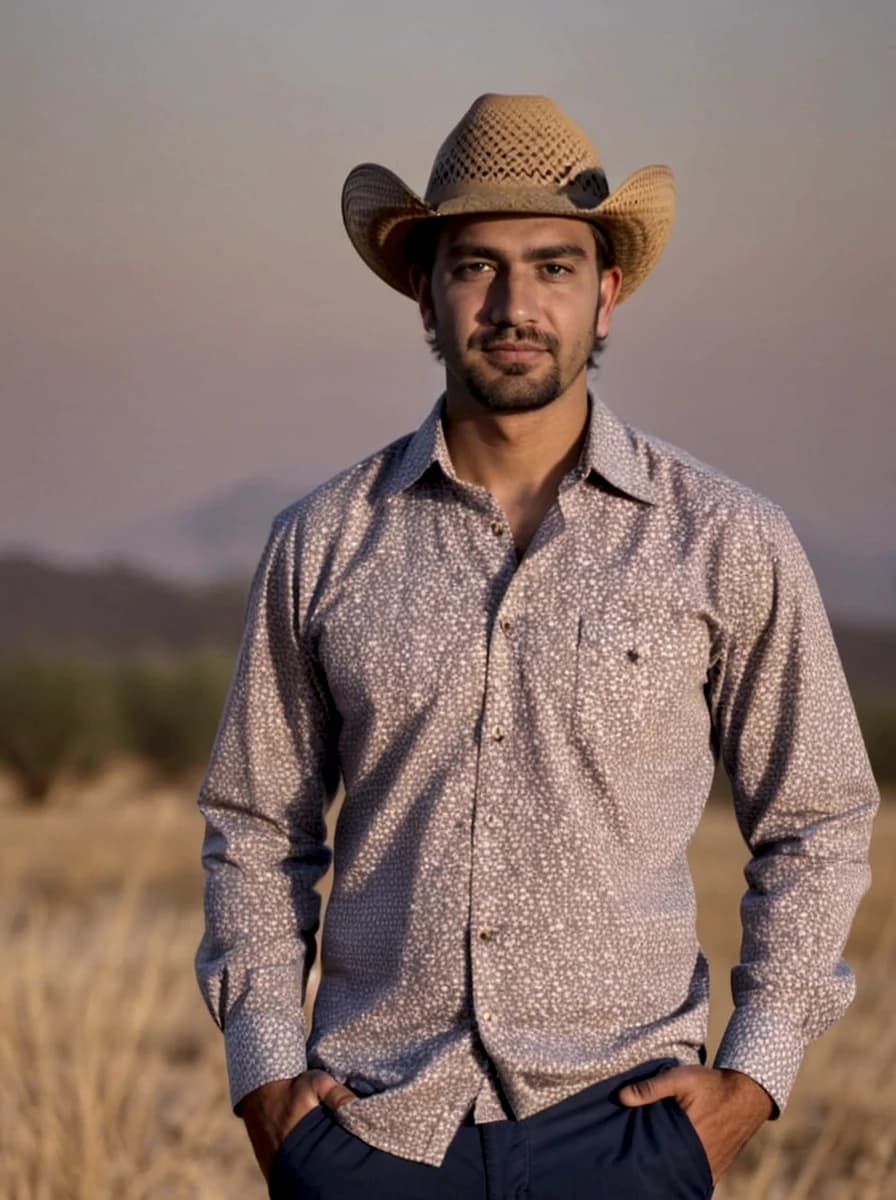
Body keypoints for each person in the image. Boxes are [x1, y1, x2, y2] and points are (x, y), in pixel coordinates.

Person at [194, 94, 878, 1199]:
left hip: (624, 1129)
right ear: (423, 290)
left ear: (605, 296)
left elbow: (817, 816)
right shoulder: (322, 542)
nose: (515, 304)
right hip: (374, 1131)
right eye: (476, 266)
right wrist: (267, 1083)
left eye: (554, 266)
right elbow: (255, 825)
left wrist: (751, 1078)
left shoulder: (724, 539)